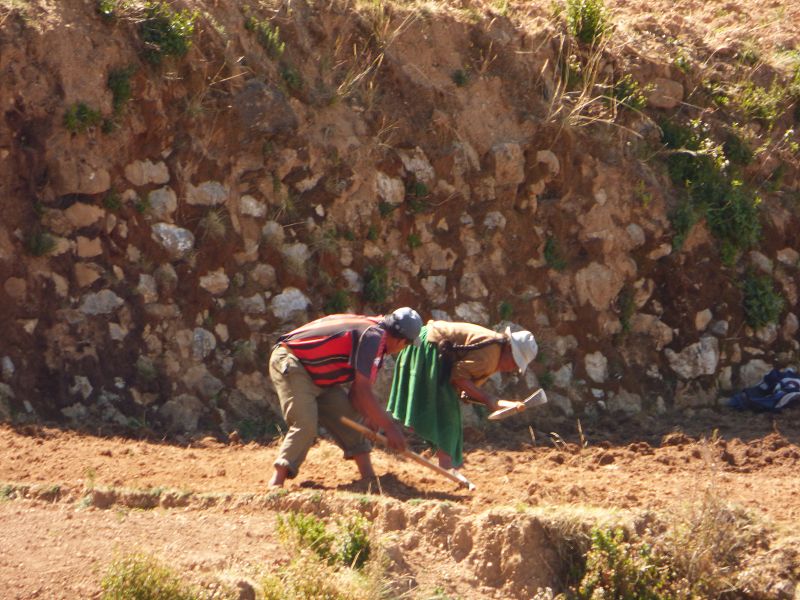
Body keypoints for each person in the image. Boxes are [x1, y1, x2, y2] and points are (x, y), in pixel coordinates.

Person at [268, 307, 423, 488]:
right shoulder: (373, 336)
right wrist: (389, 427)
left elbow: (357, 394)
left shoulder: (376, 340)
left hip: (319, 375)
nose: (402, 349)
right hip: (293, 361)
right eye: (406, 345)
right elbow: (363, 391)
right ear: (401, 341)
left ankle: (369, 480)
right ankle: (276, 483)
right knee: (305, 423)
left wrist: (370, 417)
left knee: (351, 419)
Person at [387, 320, 538, 470]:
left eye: (517, 365)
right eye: (514, 361)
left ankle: (448, 466)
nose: (512, 367)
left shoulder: (495, 348)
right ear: (508, 347)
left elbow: (461, 376)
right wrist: (488, 399)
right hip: (428, 348)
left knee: (447, 412)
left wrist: (470, 393)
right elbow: (458, 377)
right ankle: (449, 468)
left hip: (427, 344)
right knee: (448, 417)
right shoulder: (490, 357)